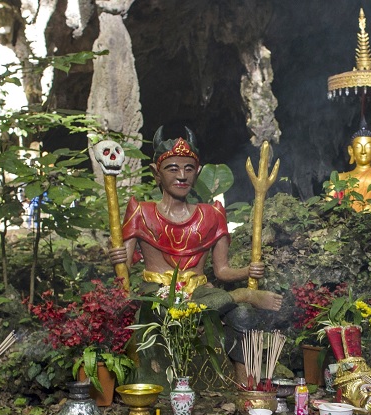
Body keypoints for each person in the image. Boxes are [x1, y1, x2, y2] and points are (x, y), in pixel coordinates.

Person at [108, 128, 283, 383]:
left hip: (200, 291)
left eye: (189, 169)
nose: (182, 176)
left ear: (197, 172)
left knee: (243, 315)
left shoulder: (211, 214)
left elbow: (221, 271)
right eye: (172, 168)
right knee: (174, 310)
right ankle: (243, 295)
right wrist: (116, 256)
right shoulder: (141, 212)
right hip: (158, 294)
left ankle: (245, 384)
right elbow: (123, 264)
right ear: (156, 174)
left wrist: (247, 271)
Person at [327, 122, 371, 212]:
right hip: (345, 222)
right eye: (358, 147)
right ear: (351, 151)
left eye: (368, 147)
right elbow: (328, 209)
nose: (363, 151)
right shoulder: (339, 179)